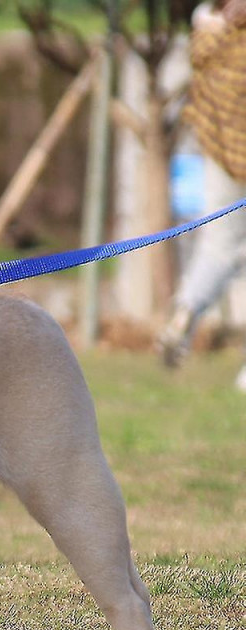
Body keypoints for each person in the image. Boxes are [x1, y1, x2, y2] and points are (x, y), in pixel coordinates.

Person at [159, 0, 246, 391]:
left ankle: (187, 309)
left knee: (218, 246)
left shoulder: (207, 31)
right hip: (233, 153)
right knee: (225, 249)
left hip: (220, 151)